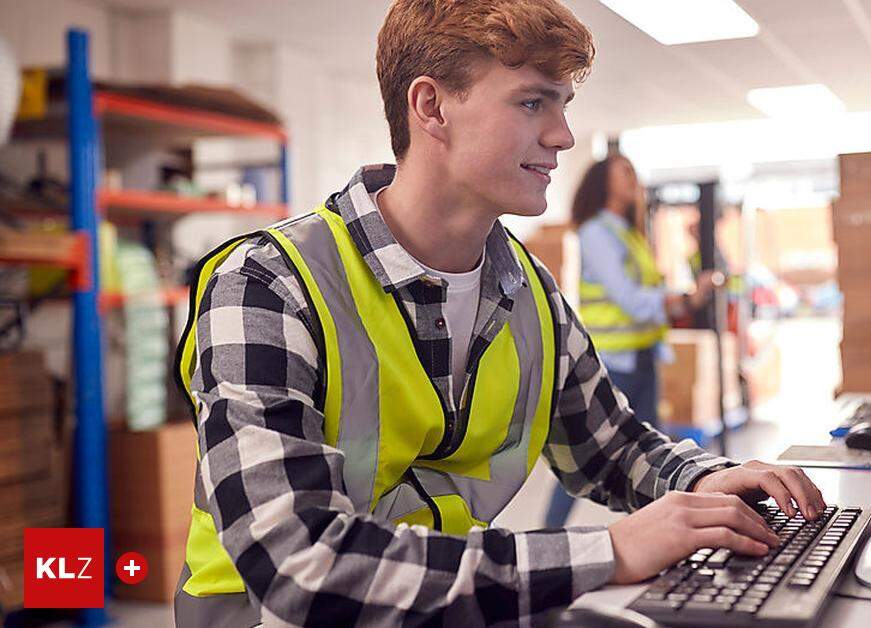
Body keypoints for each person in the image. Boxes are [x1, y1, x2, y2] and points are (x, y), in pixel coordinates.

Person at [173, 1, 825, 625]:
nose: (563, 136)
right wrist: (611, 550)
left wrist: (714, 484)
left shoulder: (525, 288)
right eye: (532, 102)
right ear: (431, 107)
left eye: (563, 105)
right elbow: (302, 567)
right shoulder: (267, 283)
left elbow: (613, 450)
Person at [543, 154, 716, 527]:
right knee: (587, 456)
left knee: (652, 457)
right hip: (614, 361)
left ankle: (662, 532)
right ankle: (550, 530)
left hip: (643, 356)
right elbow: (631, 299)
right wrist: (683, 300)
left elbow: (648, 293)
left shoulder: (627, 233)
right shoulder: (596, 232)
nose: (634, 179)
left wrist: (685, 297)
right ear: (602, 180)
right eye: (625, 172)